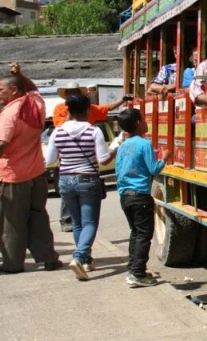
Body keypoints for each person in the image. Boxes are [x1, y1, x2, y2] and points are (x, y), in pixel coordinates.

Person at [0, 63, 62, 273]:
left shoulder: (9, 114)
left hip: (13, 177)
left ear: (14, 90)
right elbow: (33, 88)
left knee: (12, 222)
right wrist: (21, 75)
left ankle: (12, 264)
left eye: (1, 90)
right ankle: (49, 258)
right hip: (37, 174)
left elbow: (1, 144)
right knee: (38, 217)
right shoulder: (36, 105)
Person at [45, 94, 113, 281]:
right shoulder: (93, 131)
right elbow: (103, 159)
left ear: (68, 111)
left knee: (77, 223)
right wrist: (114, 150)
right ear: (87, 110)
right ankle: (79, 257)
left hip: (65, 181)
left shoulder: (57, 132)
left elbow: (50, 160)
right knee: (90, 223)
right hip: (87, 179)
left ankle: (85, 260)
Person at [53, 82, 130, 232]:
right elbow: (61, 126)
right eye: (70, 92)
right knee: (73, 196)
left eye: (75, 91)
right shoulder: (61, 110)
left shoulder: (90, 110)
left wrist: (123, 99)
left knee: (72, 193)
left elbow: (107, 108)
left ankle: (77, 228)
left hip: (81, 160)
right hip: (72, 158)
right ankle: (67, 221)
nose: (73, 93)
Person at [115, 108, 169, 288]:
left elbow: (118, 170)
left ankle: (133, 269)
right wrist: (165, 158)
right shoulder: (144, 144)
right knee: (144, 235)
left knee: (136, 233)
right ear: (138, 123)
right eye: (144, 119)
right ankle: (137, 274)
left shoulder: (123, 145)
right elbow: (154, 169)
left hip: (125, 196)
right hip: (140, 196)